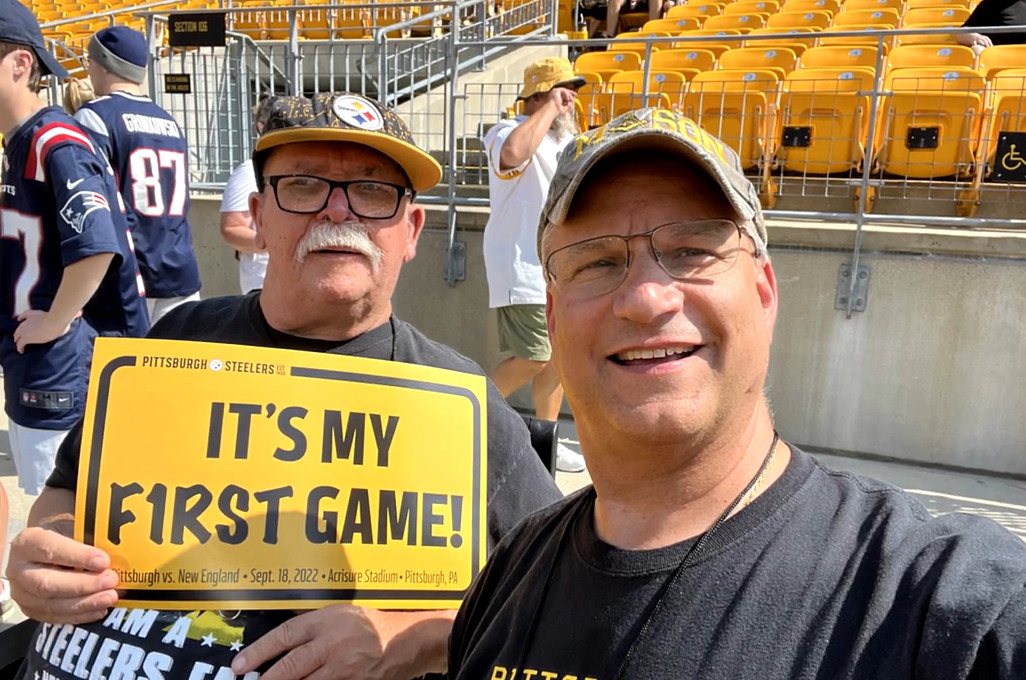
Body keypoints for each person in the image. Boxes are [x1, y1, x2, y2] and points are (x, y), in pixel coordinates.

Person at [448, 108, 1026, 679]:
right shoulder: (510, 571)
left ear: (764, 293)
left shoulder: (931, 601)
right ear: (551, 321)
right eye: (597, 261)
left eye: (691, 251)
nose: (648, 298)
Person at [6, 92, 562, 680]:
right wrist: (47, 549)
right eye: (303, 184)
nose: (338, 211)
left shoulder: (456, 400)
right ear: (259, 217)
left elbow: (557, 589)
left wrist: (408, 637)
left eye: (373, 191)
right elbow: (67, 493)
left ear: (412, 230)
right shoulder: (177, 340)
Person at [0, 0, 148, 496]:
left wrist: (56, 319)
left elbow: (96, 245)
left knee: (60, 516)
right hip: (38, 356)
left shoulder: (55, 141)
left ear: (21, 63)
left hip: (62, 361)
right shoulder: (22, 141)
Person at [482, 57, 586, 473]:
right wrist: (547, 108)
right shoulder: (507, 131)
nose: (570, 102)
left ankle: (546, 442)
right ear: (540, 95)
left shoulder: (564, 144)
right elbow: (511, 155)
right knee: (535, 357)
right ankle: (462, 410)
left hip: (558, 270)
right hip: (521, 268)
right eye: (563, 92)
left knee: (556, 362)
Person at [75, 26, 202, 323]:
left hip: (128, 276)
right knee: (171, 368)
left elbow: (87, 200)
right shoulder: (168, 120)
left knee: (117, 369)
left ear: (104, 62)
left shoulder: (95, 115)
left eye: (90, 61)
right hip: (179, 265)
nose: (89, 69)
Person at [220, 95, 274, 293]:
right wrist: (277, 244)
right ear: (260, 127)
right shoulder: (249, 171)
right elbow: (231, 228)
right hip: (262, 283)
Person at [955, 0, 1026, 54]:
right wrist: (977, 38)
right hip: (997, 53)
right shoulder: (990, 4)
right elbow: (962, 33)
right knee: (977, 49)